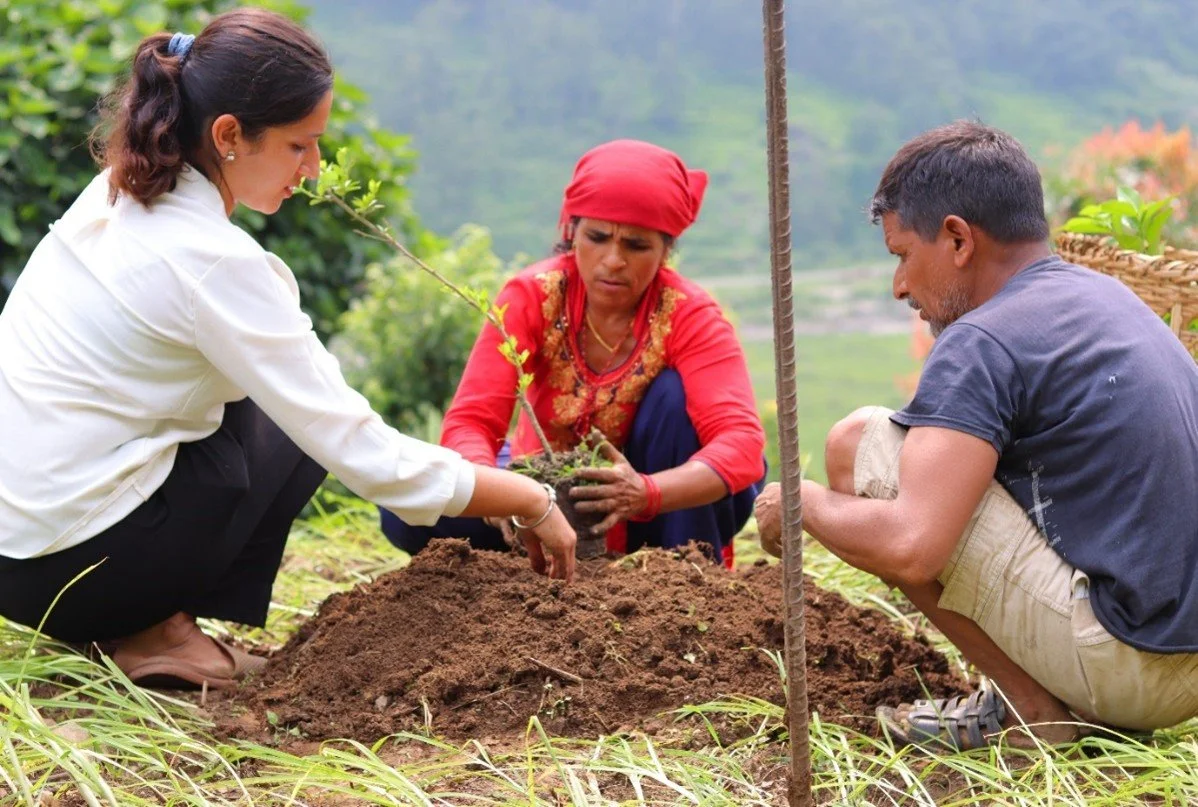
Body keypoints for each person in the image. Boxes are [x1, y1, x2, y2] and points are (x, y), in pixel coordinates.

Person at [0, 8, 575, 691]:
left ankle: (155, 622)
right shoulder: (216, 264)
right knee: (297, 417)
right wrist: (531, 498)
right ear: (228, 135)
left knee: (270, 394)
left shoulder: (118, 191)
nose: (313, 169)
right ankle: (160, 633)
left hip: (19, 556)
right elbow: (360, 450)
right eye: (300, 146)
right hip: (81, 571)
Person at [756, 121, 1198, 750]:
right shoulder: (1104, 297)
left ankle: (1034, 712)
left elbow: (914, 547)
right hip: (1187, 664)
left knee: (857, 444)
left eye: (903, 255)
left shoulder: (983, 338)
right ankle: (1066, 704)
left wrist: (796, 501)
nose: (900, 286)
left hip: (1129, 662)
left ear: (958, 239)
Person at [380, 140, 767, 567]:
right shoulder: (532, 297)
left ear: (665, 251)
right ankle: (520, 562)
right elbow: (473, 419)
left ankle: (685, 577)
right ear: (572, 233)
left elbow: (742, 443)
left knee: (675, 403)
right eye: (597, 238)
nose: (613, 260)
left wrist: (646, 492)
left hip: (655, 507)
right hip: (543, 496)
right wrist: (495, 490)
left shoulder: (690, 315)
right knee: (408, 507)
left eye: (637, 246)